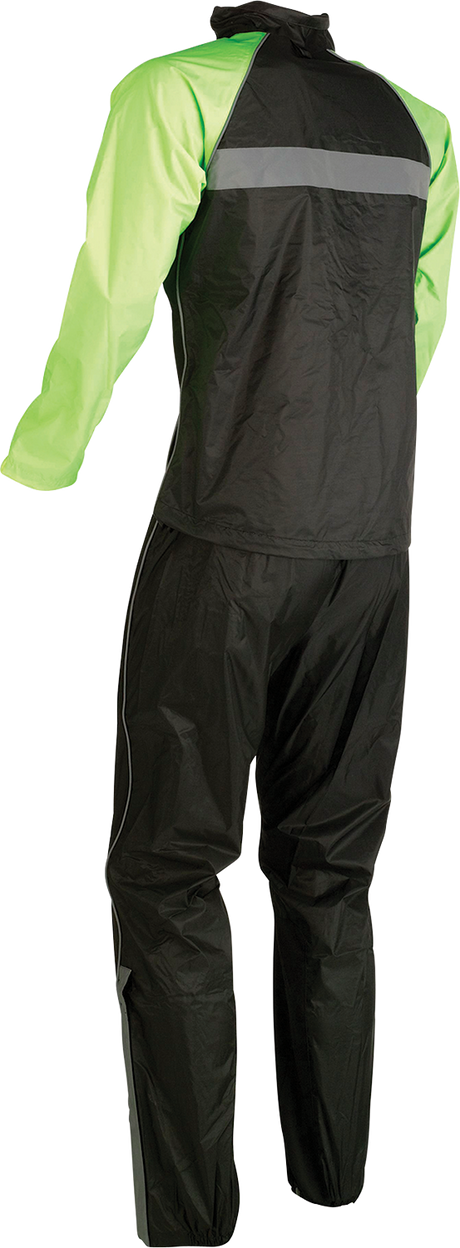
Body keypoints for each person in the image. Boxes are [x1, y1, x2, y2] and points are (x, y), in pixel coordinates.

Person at [1, 3, 458, 1243]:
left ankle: (195, 1224)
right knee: (332, 876)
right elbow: (414, 331)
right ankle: (334, 1184)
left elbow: (111, 287)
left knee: (165, 870)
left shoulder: (171, 91)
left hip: (224, 539)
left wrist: (46, 455)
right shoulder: (419, 121)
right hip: (371, 547)